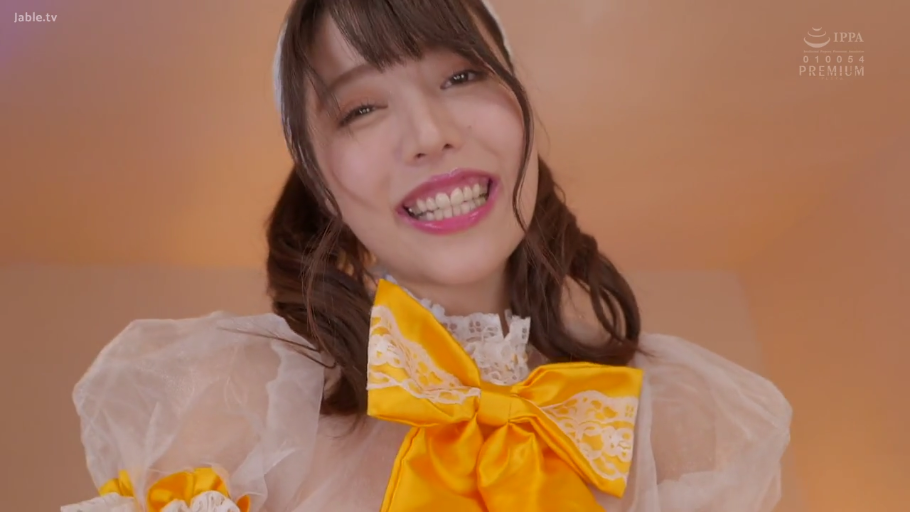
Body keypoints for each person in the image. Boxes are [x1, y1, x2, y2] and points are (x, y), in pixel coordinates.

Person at [63, 0, 792, 511]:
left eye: (462, 75)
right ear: (319, 184)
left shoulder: (676, 419)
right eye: (361, 108)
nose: (429, 133)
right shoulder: (243, 410)